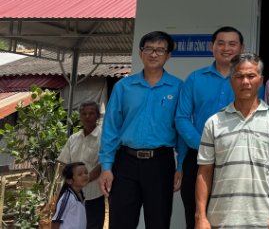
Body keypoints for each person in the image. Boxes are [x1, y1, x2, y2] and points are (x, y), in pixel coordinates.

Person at [98, 31, 185, 229]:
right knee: (120, 221)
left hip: (160, 163)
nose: (154, 54)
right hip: (125, 163)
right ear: (140, 53)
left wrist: (180, 166)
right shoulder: (124, 87)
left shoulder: (178, 88)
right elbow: (111, 128)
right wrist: (106, 167)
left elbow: (181, 129)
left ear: (168, 55)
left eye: (160, 50)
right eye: (149, 49)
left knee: (158, 221)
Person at [195, 53, 269, 229]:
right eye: (239, 76)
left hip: (263, 219)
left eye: (251, 76)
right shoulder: (214, 122)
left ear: (261, 80)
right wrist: (200, 216)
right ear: (231, 80)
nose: (245, 82)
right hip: (220, 218)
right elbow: (204, 171)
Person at [176, 26, 249, 229]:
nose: (226, 48)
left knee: (232, 217)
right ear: (212, 47)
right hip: (198, 157)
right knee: (196, 217)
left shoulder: (252, 80)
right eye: (221, 43)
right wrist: (203, 146)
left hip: (236, 158)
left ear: (241, 48)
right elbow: (182, 117)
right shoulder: (194, 79)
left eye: (232, 44)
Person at [57, 101, 104, 229]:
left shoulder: (104, 137)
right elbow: (63, 164)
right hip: (72, 196)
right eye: (84, 114)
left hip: (93, 196)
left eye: (91, 113)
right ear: (80, 117)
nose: (87, 117)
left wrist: (81, 181)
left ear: (98, 116)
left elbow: (102, 164)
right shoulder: (73, 138)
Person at [52, 162, 90, 229]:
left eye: (86, 172)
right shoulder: (66, 199)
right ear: (69, 181)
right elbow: (56, 221)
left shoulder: (81, 194)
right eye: (80, 174)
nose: (84, 175)